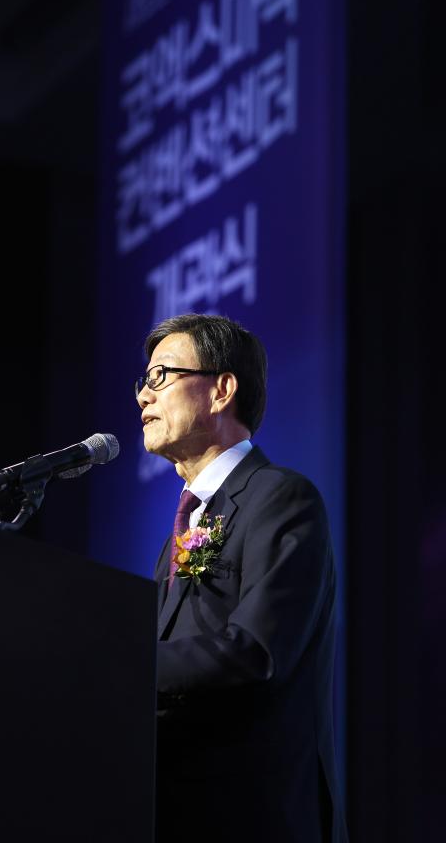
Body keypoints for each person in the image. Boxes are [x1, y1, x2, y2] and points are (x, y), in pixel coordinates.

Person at [136, 313, 348, 843]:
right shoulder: (180, 532)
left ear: (221, 390)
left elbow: (257, 651)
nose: (144, 394)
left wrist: (119, 663)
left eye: (161, 376)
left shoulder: (280, 498)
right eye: (143, 380)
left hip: (255, 814)